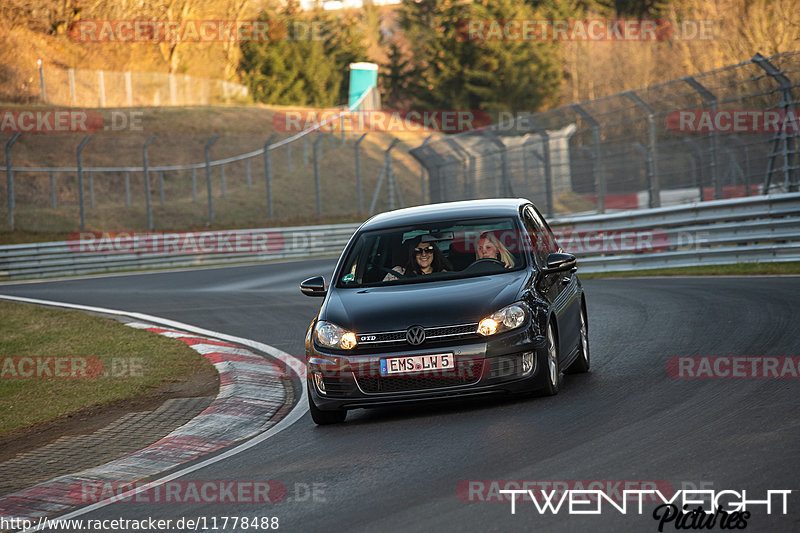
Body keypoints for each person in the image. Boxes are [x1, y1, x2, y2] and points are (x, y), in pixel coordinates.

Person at [384, 235, 452, 281]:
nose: (424, 254)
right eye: (418, 251)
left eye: (428, 250)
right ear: (413, 254)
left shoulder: (445, 276)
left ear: (434, 252)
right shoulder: (397, 273)